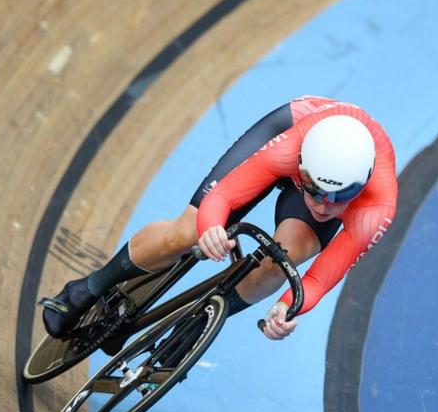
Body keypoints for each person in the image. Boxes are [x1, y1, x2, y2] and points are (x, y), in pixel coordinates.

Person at [41, 95, 398, 342]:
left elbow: (318, 281)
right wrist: (211, 225)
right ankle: (88, 288)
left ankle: (198, 328)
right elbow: (223, 196)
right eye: (312, 190)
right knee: (187, 231)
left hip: (320, 163)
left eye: (339, 199)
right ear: (301, 167)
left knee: (282, 260)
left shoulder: (376, 207)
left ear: (362, 186)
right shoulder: (290, 149)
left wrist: (286, 309)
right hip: (290, 128)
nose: (322, 206)